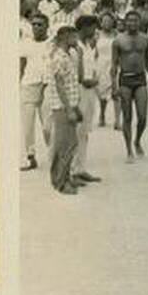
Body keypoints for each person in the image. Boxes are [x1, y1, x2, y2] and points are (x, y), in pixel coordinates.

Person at [112, 9, 148, 162]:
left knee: (143, 116)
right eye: (129, 20)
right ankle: (129, 150)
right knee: (127, 117)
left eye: (135, 20)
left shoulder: (145, 39)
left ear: (139, 22)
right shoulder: (118, 40)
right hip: (125, 79)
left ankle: (137, 140)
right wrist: (113, 86)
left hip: (141, 79)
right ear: (125, 22)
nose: (132, 23)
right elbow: (114, 65)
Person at [45, 26, 84, 194]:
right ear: (65, 36)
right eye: (74, 36)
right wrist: (69, 109)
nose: (76, 39)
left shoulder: (68, 55)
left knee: (70, 143)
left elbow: (76, 80)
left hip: (69, 104)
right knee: (65, 144)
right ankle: (61, 182)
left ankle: (64, 178)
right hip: (62, 106)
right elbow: (60, 85)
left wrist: (80, 56)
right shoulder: (59, 57)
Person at [71, 15, 103, 184]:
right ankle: (72, 172)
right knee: (76, 131)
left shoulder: (90, 46)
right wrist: (85, 81)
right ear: (83, 27)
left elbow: (92, 69)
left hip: (89, 91)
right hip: (78, 92)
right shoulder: (75, 47)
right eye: (92, 27)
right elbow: (75, 74)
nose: (94, 30)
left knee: (84, 132)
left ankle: (80, 169)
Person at [20, 12, 51, 171]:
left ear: (47, 26)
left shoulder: (52, 43)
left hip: (47, 85)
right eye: (34, 24)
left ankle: (54, 155)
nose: (37, 27)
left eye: (40, 24)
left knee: (47, 125)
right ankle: (30, 156)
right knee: (27, 124)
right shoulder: (25, 43)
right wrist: (19, 83)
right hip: (29, 84)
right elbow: (21, 64)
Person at [95, 12, 121, 130]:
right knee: (102, 93)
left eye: (109, 21)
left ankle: (117, 120)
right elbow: (94, 53)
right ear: (101, 23)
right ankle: (102, 115)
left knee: (117, 92)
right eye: (104, 21)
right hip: (101, 65)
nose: (107, 23)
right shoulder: (97, 35)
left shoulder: (117, 35)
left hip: (115, 64)